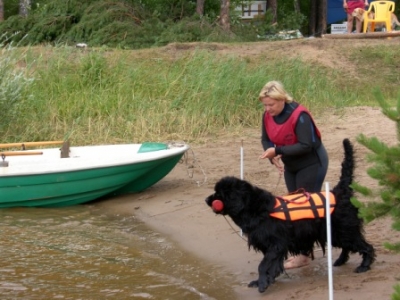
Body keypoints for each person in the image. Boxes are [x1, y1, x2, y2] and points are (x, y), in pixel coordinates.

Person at [258, 81, 329, 269]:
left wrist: (278, 149)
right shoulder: (267, 116)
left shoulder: (299, 115)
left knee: (305, 209)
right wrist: (270, 154)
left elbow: (307, 145)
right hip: (292, 166)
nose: (268, 108)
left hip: (312, 163)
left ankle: (304, 255)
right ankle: (304, 250)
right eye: (265, 105)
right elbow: (265, 139)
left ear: (282, 99)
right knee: (294, 208)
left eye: (271, 104)